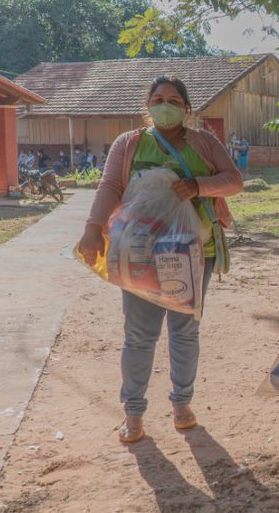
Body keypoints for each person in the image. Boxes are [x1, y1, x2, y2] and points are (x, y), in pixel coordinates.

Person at [77, 75, 243, 443]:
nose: (165, 105)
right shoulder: (129, 143)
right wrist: (92, 228)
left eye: (173, 100)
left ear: (186, 108)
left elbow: (234, 180)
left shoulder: (205, 142)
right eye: (157, 99)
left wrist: (198, 187)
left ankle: (182, 404)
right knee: (139, 334)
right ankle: (133, 413)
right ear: (147, 105)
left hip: (194, 253)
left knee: (185, 331)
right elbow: (110, 186)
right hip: (138, 253)